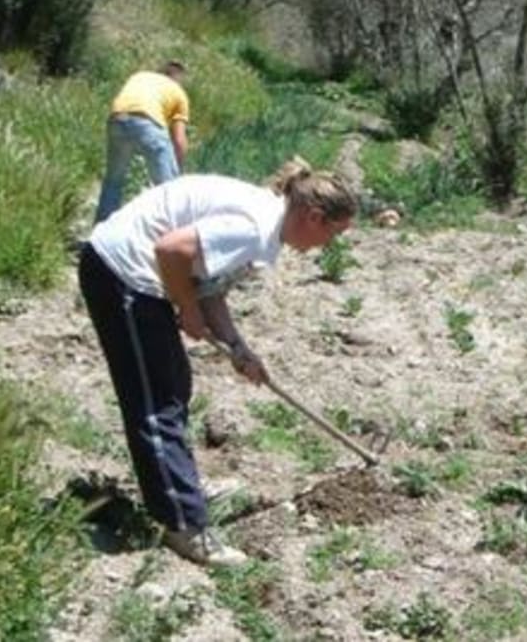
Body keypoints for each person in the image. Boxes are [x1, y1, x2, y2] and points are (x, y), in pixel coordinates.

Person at [77, 158, 357, 566]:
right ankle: (184, 525)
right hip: (122, 276)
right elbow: (171, 250)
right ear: (314, 217)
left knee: (174, 384)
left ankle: (181, 484)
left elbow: (209, 286)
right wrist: (187, 309)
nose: (326, 247)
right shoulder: (255, 226)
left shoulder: (269, 219)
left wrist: (239, 349)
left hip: (135, 275)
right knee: (156, 404)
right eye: (332, 235)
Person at [95, 61, 191, 223]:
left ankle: (100, 232)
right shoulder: (178, 93)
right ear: (178, 79)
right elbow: (179, 140)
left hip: (117, 119)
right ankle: (169, 237)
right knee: (168, 189)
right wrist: (178, 170)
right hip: (148, 122)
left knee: (113, 180)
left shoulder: (140, 76)